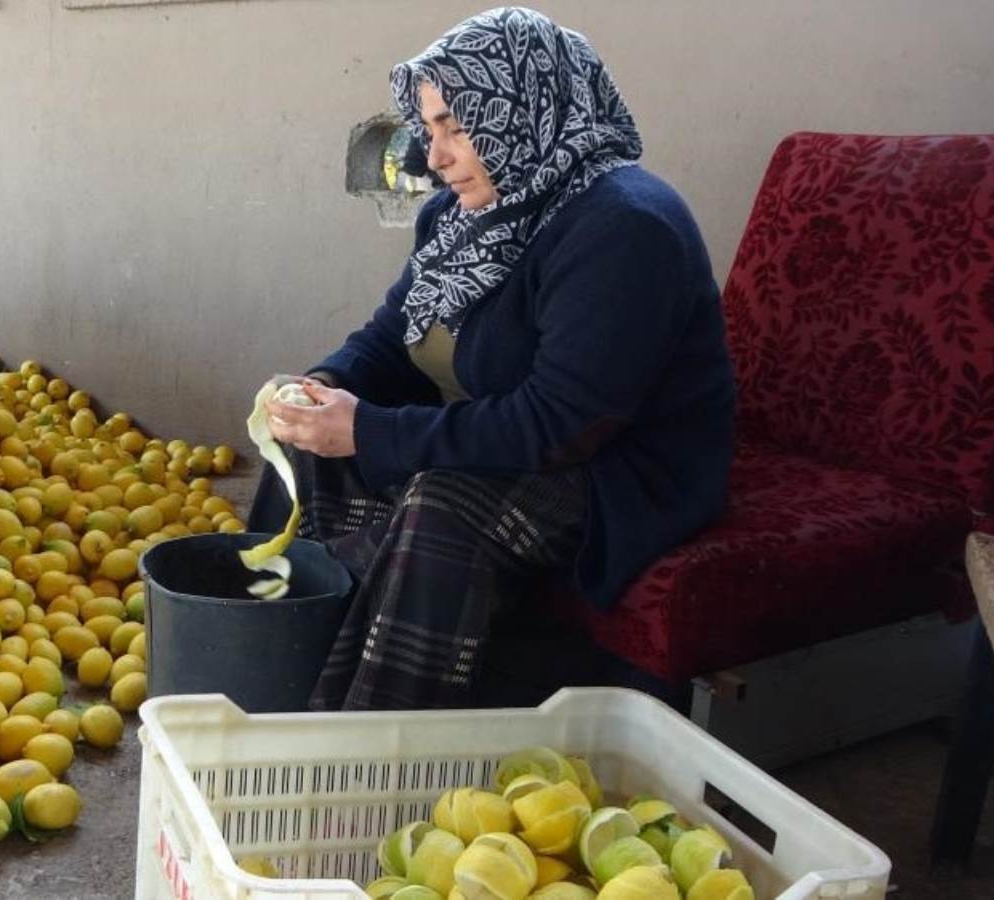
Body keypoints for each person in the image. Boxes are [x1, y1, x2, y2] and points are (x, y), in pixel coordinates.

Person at [247, 7, 735, 711]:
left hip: (618, 470)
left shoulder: (625, 227)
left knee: (440, 502)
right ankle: (269, 679)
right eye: (431, 128)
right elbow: (395, 336)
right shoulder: (465, 215)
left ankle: (372, 748)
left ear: (527, 106)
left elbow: (562, 424)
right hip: (517, 430)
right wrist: (322, 386)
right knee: (305, 455)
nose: (434, 155)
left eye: (458, 126)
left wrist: (371, 431)